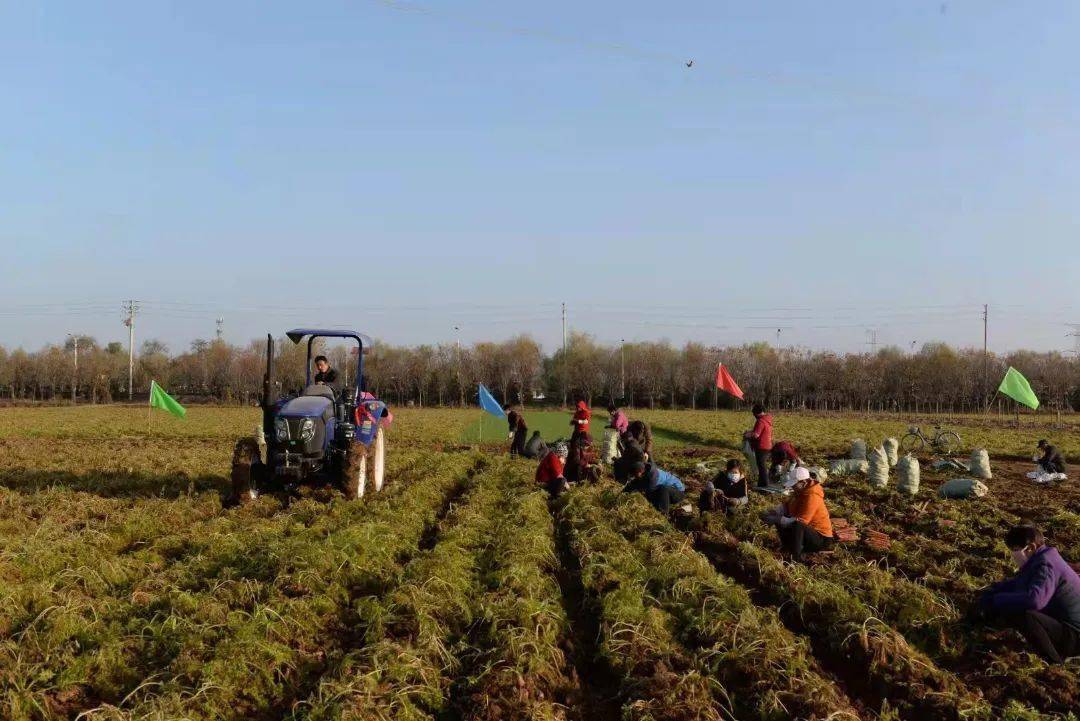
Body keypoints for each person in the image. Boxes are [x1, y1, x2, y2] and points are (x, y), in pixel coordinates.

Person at [979, 525, 1080, 664]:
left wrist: (997, 599)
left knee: (1025, 615)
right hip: (1065, 626)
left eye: (1015, 550)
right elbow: (1019, 583)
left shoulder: (1046, 564)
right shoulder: (1041, 559)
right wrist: (993, 590)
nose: (1013, 555)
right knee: (1013, 604)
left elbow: (1035, 600)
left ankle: (1054, 662)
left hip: (1074, 636)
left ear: (1031, 547)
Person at [762, 467, 834, 562]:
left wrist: (778, 519)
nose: (792, 487)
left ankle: (796, 557)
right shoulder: (800, 492)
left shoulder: (812, 497)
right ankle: (787, 547)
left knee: (797, 525)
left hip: (820, 539)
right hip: (807, 534)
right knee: (783, 520)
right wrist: (774, 511)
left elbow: (802, 521)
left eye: (794, 484)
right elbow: (788, 505)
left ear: (803, 482)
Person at [744, 404, 774, 488]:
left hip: (761, 446)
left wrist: (747, 434)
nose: (754, 416)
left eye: (754, 414)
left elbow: (756, 435)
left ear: (756, 413)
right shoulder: (767, 419)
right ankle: (761, 484)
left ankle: (764, 485)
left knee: (762, 467)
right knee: (762, 466)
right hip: (767, 445)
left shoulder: (760, 421)